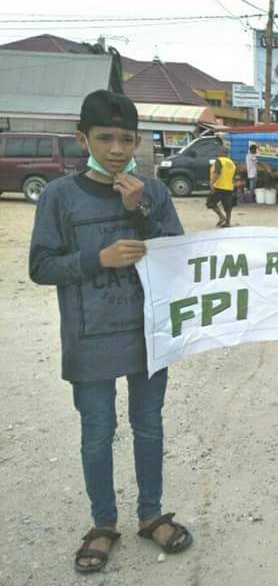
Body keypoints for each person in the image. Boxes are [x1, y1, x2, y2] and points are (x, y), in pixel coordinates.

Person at [28, 90, 192, 574]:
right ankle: (103, 523)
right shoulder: (60, 196)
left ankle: (150, 513)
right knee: (97, 433)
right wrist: (94, 259)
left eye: (126, 138)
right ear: (84, 139)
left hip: (149, 335)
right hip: (89, 339)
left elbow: (178, 256)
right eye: (105, 138)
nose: (117, 148)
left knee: (149, 426)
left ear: (138, 140)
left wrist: (140, 210)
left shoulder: (154, 192)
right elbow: (40, 266)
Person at [207, 142, 236, 227]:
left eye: (219, 151)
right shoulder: (232, 163)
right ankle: (228, 222)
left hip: (218, 186)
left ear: (222, 152)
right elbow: (233, 177)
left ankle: (221, 217)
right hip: (229, 187)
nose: (218, 152)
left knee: (210, 203)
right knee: (227, 206)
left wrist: (212, 183)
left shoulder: (219, 161)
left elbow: (217, 173)